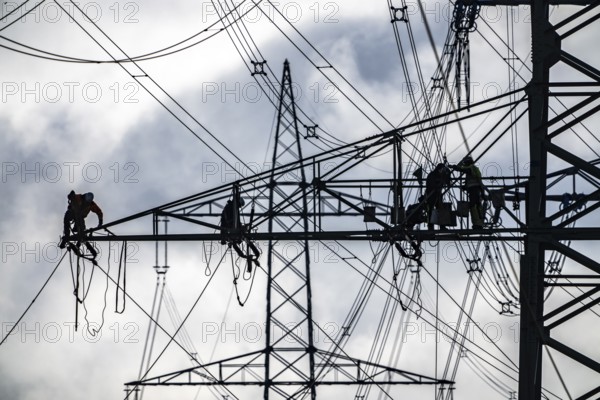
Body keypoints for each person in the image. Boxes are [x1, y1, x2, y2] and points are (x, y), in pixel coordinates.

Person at [453, 156, 485, 229]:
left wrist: (458, 168)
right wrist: (465, 187)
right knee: (475, 206)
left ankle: (478, 224)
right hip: (474, 190)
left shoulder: (472, 168)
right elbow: (470, 179)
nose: (464, 164)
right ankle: (478, 224)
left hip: (475, 189)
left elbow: (467, 170)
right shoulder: (472, 168)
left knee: (474, 206)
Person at [425, 163, 451, 230]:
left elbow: (447, 182)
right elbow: (429, 184)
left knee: (440, 209)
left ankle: (442, 226)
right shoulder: (432, 174)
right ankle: (430, 226)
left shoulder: (441, 175)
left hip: (438, 194)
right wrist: (436, 186)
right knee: (431, 210)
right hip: (431, 194)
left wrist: (448, 172)